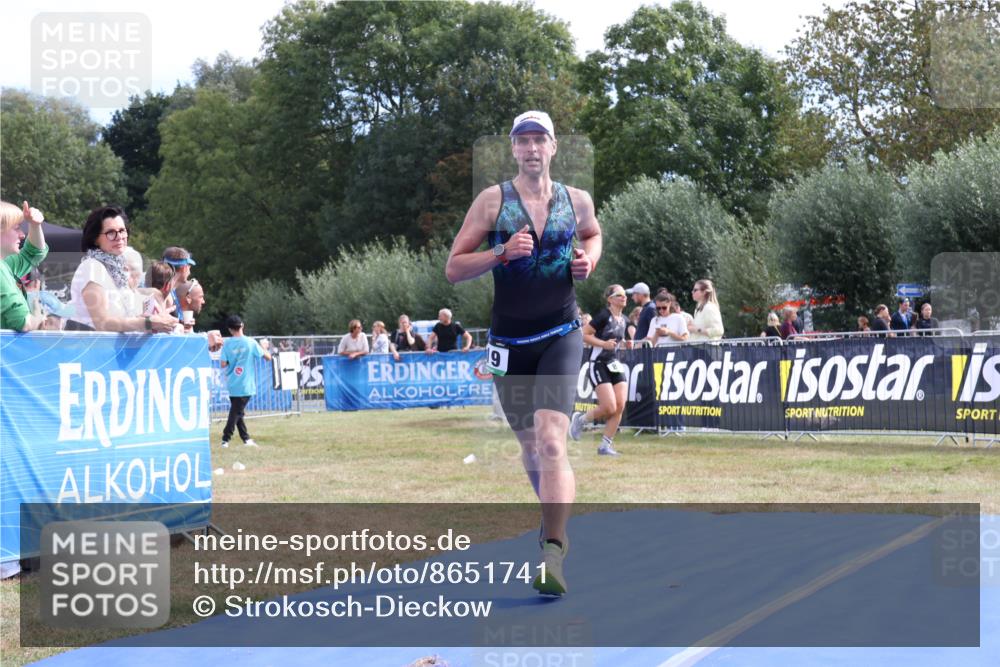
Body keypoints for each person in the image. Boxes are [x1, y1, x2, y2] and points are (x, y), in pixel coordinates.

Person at [444, 109, 601, 597]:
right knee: (531, 447)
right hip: (508, 343)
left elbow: (593, 235)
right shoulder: (493, 202)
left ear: (553, 147)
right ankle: (551, 521)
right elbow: (453, 268)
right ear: (513, 149)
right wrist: (499, 254)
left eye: (540, 140)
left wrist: (587, 261)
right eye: (523, 141)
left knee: (553, 441)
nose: (532, 148)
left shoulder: (576, 201)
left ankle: (552, 550)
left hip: (560, 332)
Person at [71, 206, 176, 333]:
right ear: (95, 239)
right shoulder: (92, 267)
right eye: (111, 232)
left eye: (122, 231)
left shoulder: (117, 270)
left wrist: (154, 318)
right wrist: (148, 323)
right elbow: (103, 323)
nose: (119, 237)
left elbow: (123, 319)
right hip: (92, 349)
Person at [572, 283, 634, 457]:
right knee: (609, 406)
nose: (624, 297)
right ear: (610, 299)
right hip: (598, 362)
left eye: (625, 295)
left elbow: (618, 340)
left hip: (613, 363)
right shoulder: (603, 316)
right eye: (619, 295)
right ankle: (581, 420)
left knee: (620, 406)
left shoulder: (625, 319)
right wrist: (603, 344)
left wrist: (626, 344)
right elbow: (583, 334)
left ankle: (605, 446)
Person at [219, 314, 271, 448]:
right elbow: (268, 357)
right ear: (242, 325)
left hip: (232, 383)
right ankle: (226, 439)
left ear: (230, 329)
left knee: (238, 412)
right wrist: (263, 346)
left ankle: (246, 439)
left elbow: (223, 364)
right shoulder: (250, 342)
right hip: (245, 384)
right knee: (236, 413)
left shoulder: (227, 344)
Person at [1, 201, 47, 332]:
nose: (22, 234)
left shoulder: (5, 264)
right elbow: (22, 321)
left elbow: (33, 253)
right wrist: (41, 320)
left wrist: (35, 225)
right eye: (16, 228)